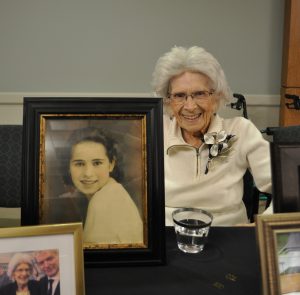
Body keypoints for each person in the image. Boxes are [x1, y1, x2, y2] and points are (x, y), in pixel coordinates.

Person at [151, 46, 272, 226]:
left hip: (229, 236)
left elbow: (289, 189)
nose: (190, 106)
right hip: (167, 237)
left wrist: (262, 227)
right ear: (168, 101)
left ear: (216, 97)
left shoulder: (240, 131)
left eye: (199, 94)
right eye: (179, 96)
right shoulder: (154, 131)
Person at [64, 127, 143, 244]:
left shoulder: (102, 201)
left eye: (97, 163)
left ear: (111, 164)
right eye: (79, 164)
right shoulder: (113, 190)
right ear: (69, 167)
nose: (88, 173)